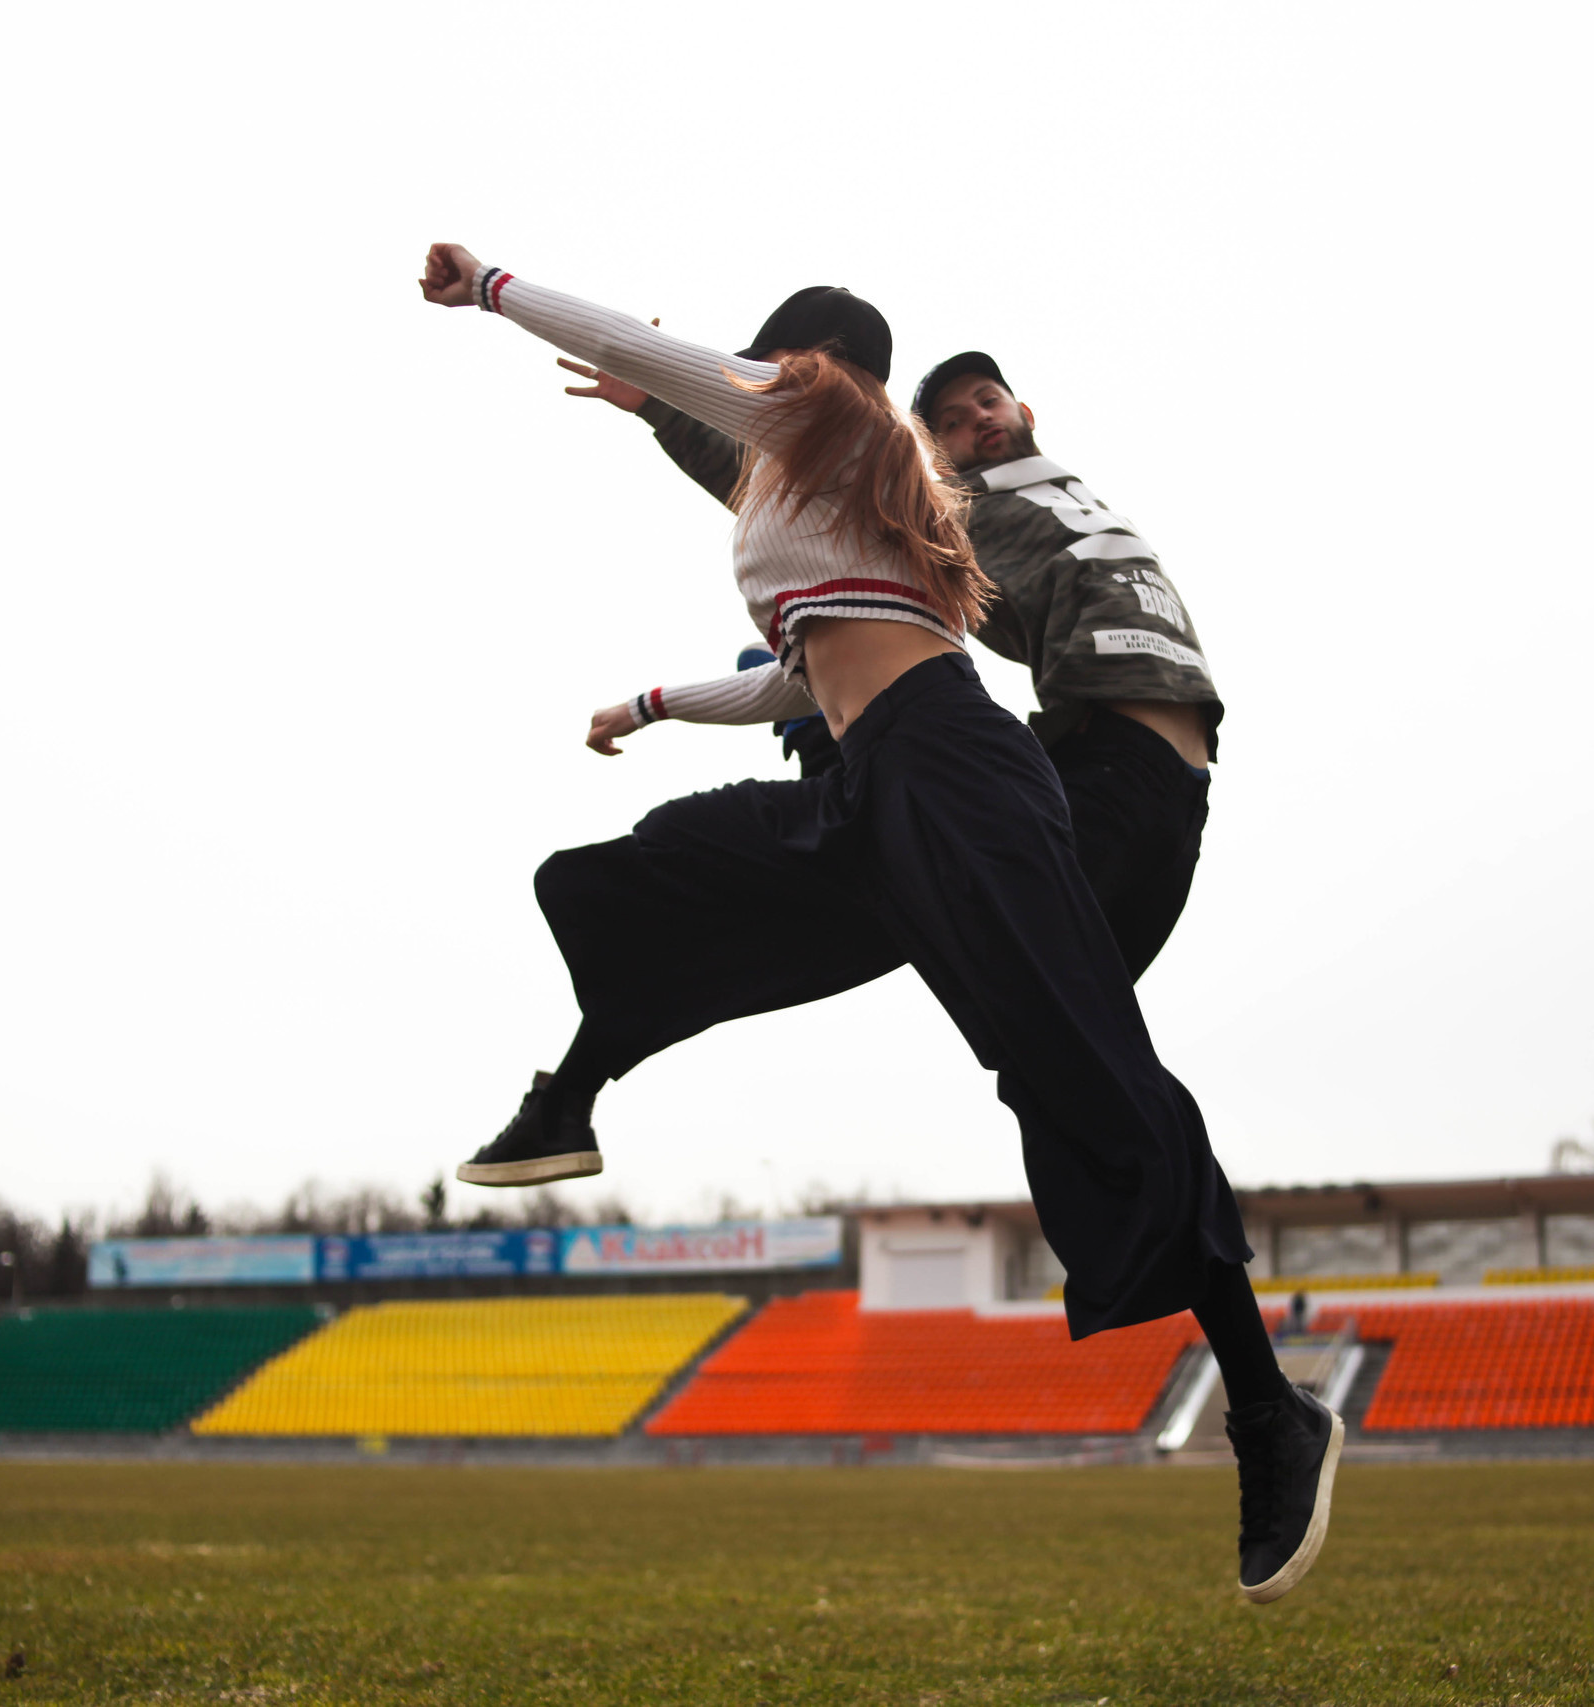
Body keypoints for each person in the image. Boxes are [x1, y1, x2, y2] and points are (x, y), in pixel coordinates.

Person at [418, 246, 1339, 1600]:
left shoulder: (822, 413)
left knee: (1077, 1062)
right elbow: (800, 679)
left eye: (765, 370)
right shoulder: (823, 510)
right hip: (875, 789)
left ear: (805, 365)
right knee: (661, 867)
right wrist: (654, 706)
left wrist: (489, 285)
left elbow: (653, 352)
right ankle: (570, 1097)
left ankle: (1268, 1405)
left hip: (957, 772)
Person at [566, 349, 1216, 980]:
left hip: (1183, 787)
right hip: (1107, 766)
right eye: (952, 424)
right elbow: (799, 487)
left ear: (1025, 410)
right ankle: (826, 752)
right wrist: (659, 402)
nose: (976, 420)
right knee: (1002, 962)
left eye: (985, 402)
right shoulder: (956, 513)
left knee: (1088, 1024)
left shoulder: (1069, 492)